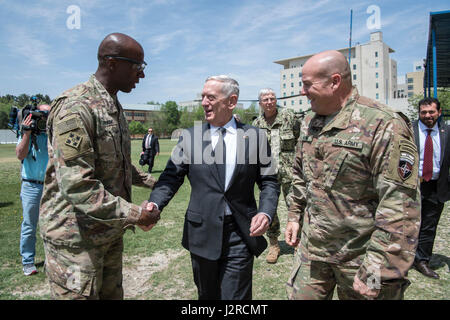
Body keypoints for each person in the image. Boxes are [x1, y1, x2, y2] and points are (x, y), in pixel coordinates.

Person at [284, 50, 421, 300]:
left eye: (307, 85)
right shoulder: (309, 122)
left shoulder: (384, 124)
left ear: (335, 82)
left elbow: (400, 206)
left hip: (361, 258)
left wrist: (376, 269)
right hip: (313, 254)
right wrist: (294, 216)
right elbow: (300, 175)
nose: (302, 91)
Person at [39, 33, 160, 300]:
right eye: (137, 66)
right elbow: (79, 185)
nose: (141, 75)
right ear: (111, 62)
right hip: (76, 243)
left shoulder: (112, 106)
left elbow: (119, 165)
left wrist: (157, 183)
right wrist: (136, 213)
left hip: (107, 234)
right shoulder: (75, 108)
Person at [146, 75, 280, 300]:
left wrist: (266, 212)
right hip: (202, 232)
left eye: (211, 97)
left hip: (240, 232)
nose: (204, 103)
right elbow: (170, 178)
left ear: (231, 101)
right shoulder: (190, 137)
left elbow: (269, 182)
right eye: (202, 97)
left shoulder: (255, 137)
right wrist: (155, 202)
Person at [252, 88, 302, 263]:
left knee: (294, 207)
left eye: (272, 98)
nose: (269, 101)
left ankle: (297, 243)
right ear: (260, 103)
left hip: (290, 174)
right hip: (267, 175)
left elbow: (300, 138)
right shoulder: (256, 125)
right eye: (265, 99)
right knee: (269, 210)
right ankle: (273, 244)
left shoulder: (289, 117)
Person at [412, 97, 450, 279]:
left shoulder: (447, 132)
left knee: (429, 226)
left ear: (439, 112)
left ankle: (422, 260)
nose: (427, 115)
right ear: (419, 113)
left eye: (431, 112)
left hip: (436, 187)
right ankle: (403, 259)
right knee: (407, 225)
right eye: (423, 112)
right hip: (412, 186)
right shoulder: (408, 131)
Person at [16, 103, 51, 276]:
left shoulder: (52, 135)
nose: (44, 118)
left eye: (48, 114)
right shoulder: (28, 134)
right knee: (30, 225)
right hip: (31, 185)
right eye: (41, 114)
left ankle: (52, 259)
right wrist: (26, 134)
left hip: (51, 186)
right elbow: (20, 155)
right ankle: (28, 261)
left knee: (53, 224)